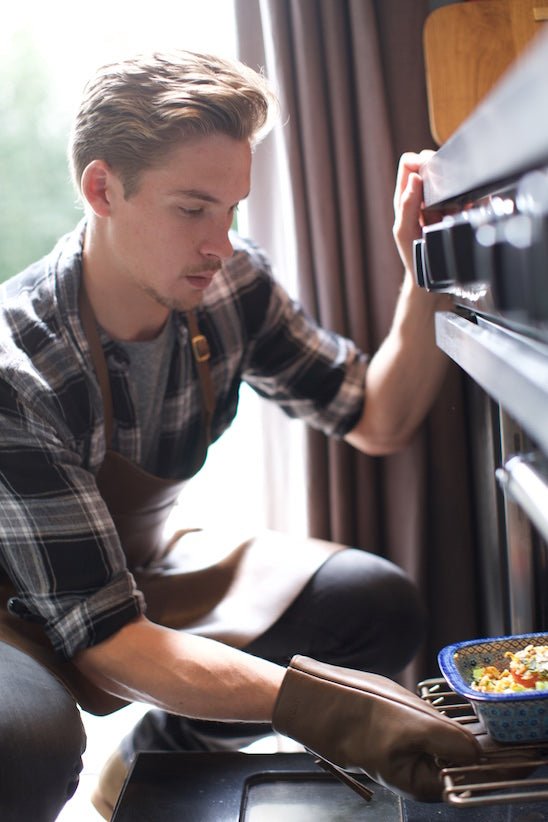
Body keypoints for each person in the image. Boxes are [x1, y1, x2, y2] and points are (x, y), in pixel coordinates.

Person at [0, 50, 480, 821]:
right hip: (18, 608)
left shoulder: (232, 288)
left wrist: (420, 270)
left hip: (138, 569)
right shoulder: (18, 366)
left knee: (375, 606)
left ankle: (150, 762)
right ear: (102, 190)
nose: (220, 244)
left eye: (231, 210)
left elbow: (378, 417)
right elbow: (107, 642)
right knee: (24, 744)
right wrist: (341, 710)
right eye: (193, 209)